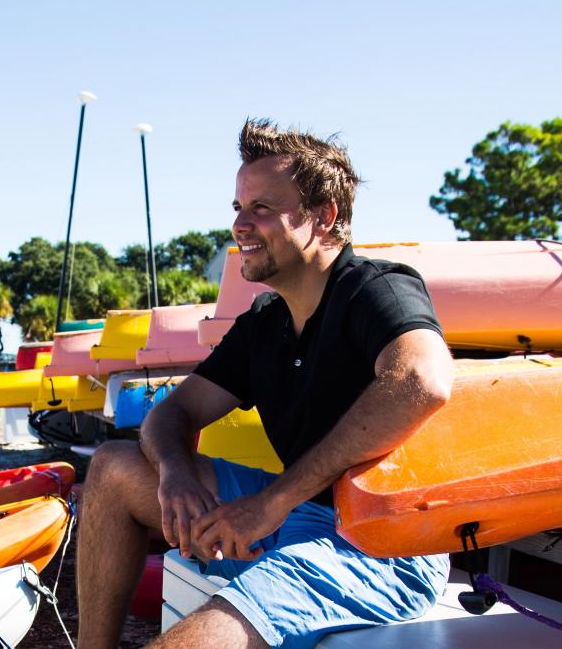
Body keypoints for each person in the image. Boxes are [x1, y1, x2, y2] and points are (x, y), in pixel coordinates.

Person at [76, 119, 455, 648]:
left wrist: (272, 502)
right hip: (294, 512)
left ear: (323, 217)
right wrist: (175, 474)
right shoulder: (265, 321)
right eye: (237, 208)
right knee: (114, 466)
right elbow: (171, 414)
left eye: (261, 209)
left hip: (378, 544)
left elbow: (422, 379)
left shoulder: (375, 288)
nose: (240, 225)